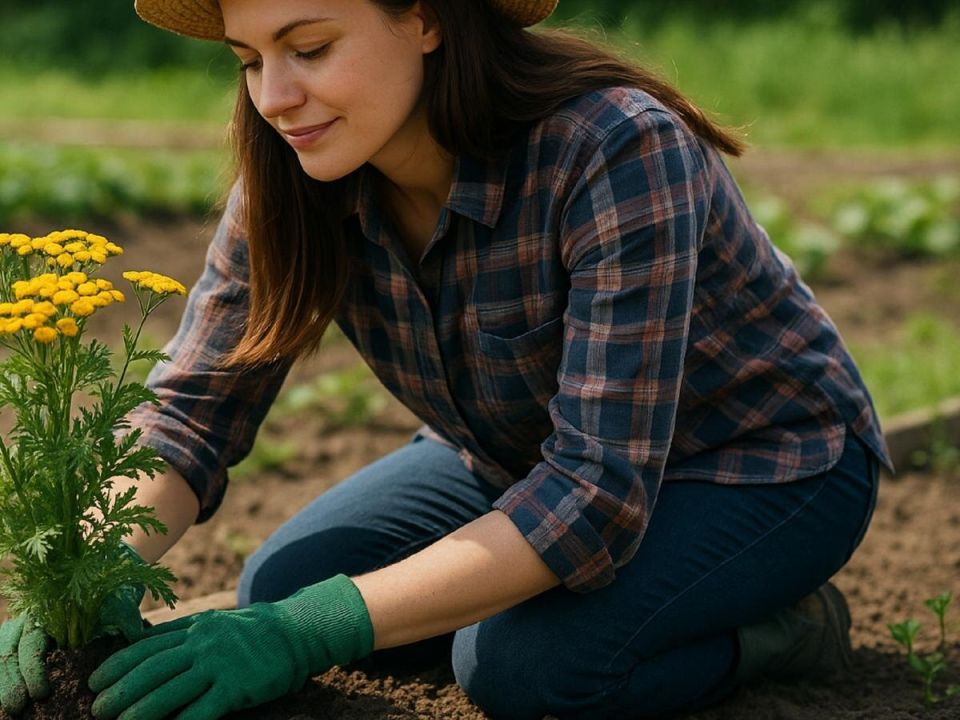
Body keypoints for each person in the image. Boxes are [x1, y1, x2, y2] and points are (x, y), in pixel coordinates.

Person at [0, 0, 894, 718]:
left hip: (764, 463)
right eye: (249, 60)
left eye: (307, 47)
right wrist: (92, 569)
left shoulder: (613, 148)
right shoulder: (295, 176)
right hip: (527, 454)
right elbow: (193, 412)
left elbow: (594, 492)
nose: (273, 96)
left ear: (425, 18)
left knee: (524, 666)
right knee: (285, 583)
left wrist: (310, 633)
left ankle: (782, 629)